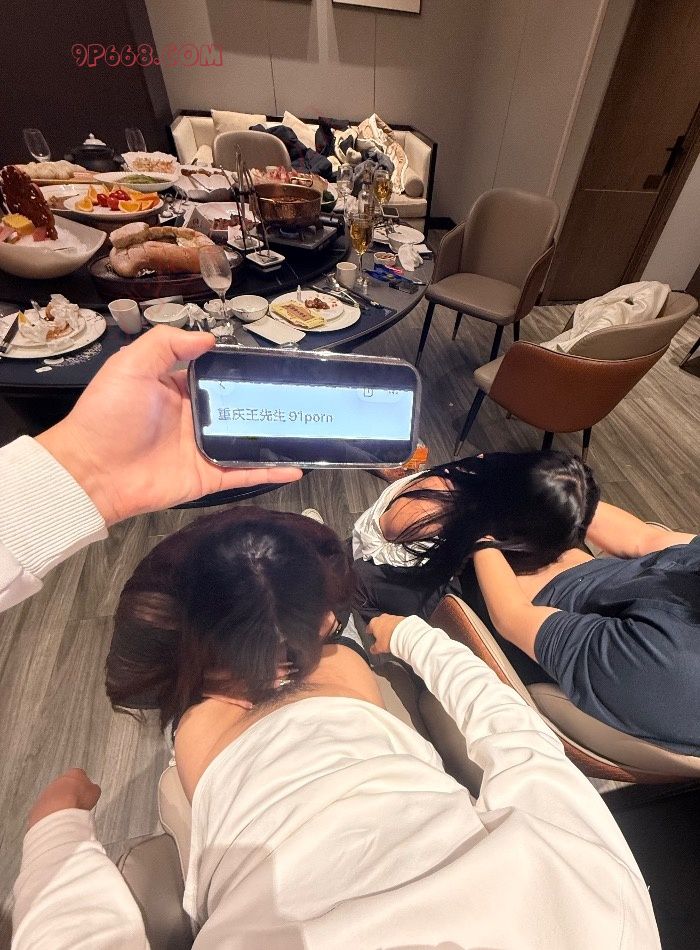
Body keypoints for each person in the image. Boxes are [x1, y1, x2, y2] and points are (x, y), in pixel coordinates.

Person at [3, 328, 659, 946]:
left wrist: (56, 833)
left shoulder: (592, 882)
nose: (273, 678)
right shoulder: (591, 893)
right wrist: (413, 639)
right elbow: (515, 730)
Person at [352, 452, 700, 754]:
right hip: (567, 571)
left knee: (360, 579)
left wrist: (482, 531)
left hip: (519, 620)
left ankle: (363, 632)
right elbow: (645, 539)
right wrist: (556, 496)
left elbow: (512, 617)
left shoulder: (667, 659)